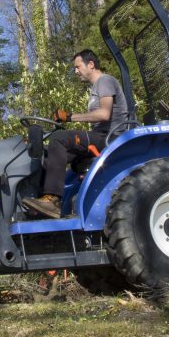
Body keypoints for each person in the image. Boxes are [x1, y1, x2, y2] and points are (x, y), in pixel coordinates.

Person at [22, 49, 128, 218]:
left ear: (91, 64)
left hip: (109, 138)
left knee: (59, 139)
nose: (76, 71)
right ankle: (41, 203)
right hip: (100, 135)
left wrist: (70, 117)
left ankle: (53, 200)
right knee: (50, 154)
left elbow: (104, 114)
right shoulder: (95, 88)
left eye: (78, 67)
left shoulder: (105, 81)